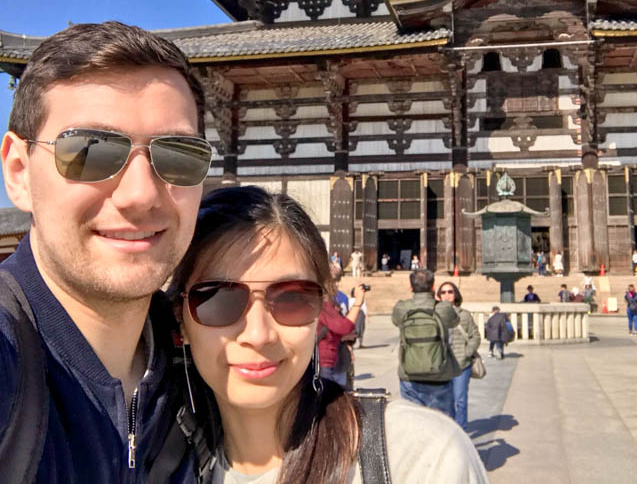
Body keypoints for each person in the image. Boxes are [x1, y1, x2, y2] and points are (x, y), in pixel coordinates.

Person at [0, 22, 212, 481]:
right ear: (19, 171)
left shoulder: (201, 371)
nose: (141, 194)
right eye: (91, 150)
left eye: (179, 154)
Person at [171, 186, 488, 483]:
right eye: (218, 299)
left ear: (320, 306)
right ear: (180, 320)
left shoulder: (422, 456)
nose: (258, 334)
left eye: (292, 298)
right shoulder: (158, 464)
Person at [392, 269, 460, 417]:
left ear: (411, 288)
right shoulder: (443, 308)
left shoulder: (402, 307)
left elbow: (396, 321)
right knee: (443, 425)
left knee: (413, 424)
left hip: (409, 375)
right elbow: (455, 321)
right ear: (433, 287)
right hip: (439, 375)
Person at [436, 281, 481, 429]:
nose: (447, 295)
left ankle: (461, 430)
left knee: (460, 400)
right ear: (438, 295)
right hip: (441, 365)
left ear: (456, 294)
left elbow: (475, 336)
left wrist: (468, 352)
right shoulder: (434, 315)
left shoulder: (464, 315)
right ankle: (448, 429)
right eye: (443, 292)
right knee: (443, 401)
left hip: (461, 364)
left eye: (450, 292)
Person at [318, 283, 365, 388]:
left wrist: (345, 338)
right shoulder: (323, 307)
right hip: (323, 364)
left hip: (331, 362)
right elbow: (344, 327)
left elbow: (333, 332)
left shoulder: (323, 305)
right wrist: (358, 302)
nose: (337, 285)